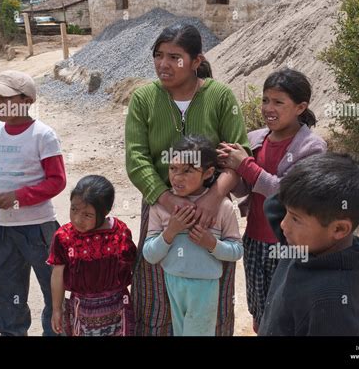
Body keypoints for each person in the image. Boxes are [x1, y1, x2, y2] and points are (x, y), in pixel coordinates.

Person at [125, 23, 250, 336]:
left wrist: (212, 197)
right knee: (154, 281)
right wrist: (169, 202)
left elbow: (239, 153)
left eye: (175, 57)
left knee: (211, 282)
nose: (163, 65)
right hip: (159, 204)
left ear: (197, 61)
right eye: (158, 56)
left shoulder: (220, 96)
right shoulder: (143, 99)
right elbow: (136, 160)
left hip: (213, 207)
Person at [217, 68, 327, 332]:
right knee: (259, 313)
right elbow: (246, 188)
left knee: (287, 314)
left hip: (291, 245)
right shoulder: (255, 139)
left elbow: (287, 192)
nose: (269, 108)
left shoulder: (312, 147)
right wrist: (229, 166)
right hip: (255, 240)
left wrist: (245, 165)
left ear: (301, 107)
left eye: (278, 102)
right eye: (266, 100)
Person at [0, 70, 66, 336]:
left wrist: (18, 197)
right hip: (3, 230)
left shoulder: (43, 136)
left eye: (4, 97)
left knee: (54, 293)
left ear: (26, 100)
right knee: (6, 293)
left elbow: (56, 181)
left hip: (39, 230)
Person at [259, 152, 359, 336]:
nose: (283, 224)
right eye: (287, 212)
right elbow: (273, 206)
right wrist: (299, 184)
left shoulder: (333, 303)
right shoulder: (305, 245)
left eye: (295, 218)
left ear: (339, 229)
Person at [143, 135, 243, 336]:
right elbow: (149, 254)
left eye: (188, 171)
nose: (177, 177)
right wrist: (170, 231)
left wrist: (212, 244)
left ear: (208, 173)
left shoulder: (221, 207)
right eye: (173, 168)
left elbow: (237, 251)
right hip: (172, 281)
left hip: (204, 285)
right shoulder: (160, 207)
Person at [47, 175, 137, 336]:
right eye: (73, 209)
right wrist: (56, 309)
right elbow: (57, 275)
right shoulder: (64, 237)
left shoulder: (119, 233)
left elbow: (133, 266)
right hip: (81, 311)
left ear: (105, 212)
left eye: (87, 215)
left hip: (118, 310)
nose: (77, 219)